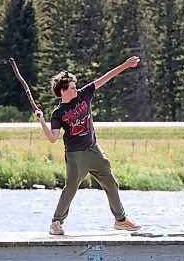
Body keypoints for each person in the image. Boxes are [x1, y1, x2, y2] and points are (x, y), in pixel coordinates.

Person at [35, 56, 142, 235]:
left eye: (76, 86)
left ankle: (120, 220)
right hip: (76, 155)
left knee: (111, 182)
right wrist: (42, 121)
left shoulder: (84, 94)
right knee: (71, 188)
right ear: (63, 90)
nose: (76, 89)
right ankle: (56, 223)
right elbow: (53, 138)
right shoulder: (58, 113)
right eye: (72, 87)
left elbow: (106, 77)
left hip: (94, 149)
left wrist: (125, 65)